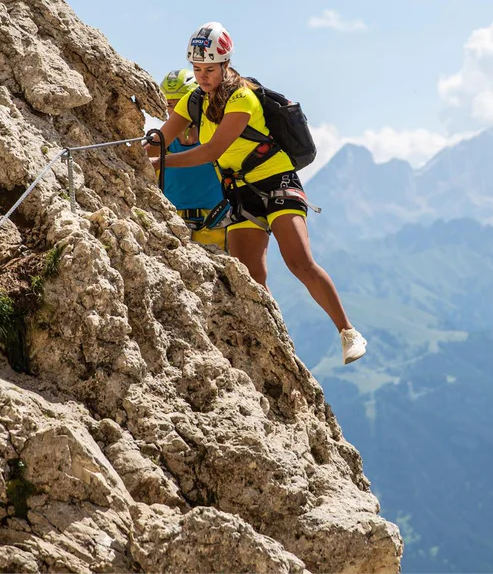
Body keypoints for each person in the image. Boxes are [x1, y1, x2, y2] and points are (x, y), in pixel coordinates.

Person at [147, 22, 367, 364]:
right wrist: (120, 149)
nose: (203, 77)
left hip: (277, 182)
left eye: (209, 69)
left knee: (299, 262)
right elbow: (158, 142)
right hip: (240, 192)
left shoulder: (242, 97)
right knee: (250, 279)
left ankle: (348, 332)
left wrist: (162, 164)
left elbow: (212, 151)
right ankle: (276, 342)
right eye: (197, 69)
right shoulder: (194, 100)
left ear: (225, 65)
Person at [156, 68, 227, 250]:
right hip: (173, 228)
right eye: (169, 104)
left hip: (216, 225)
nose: (173, 111)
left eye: (180, 103)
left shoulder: (215, 136)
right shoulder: (160, 143)